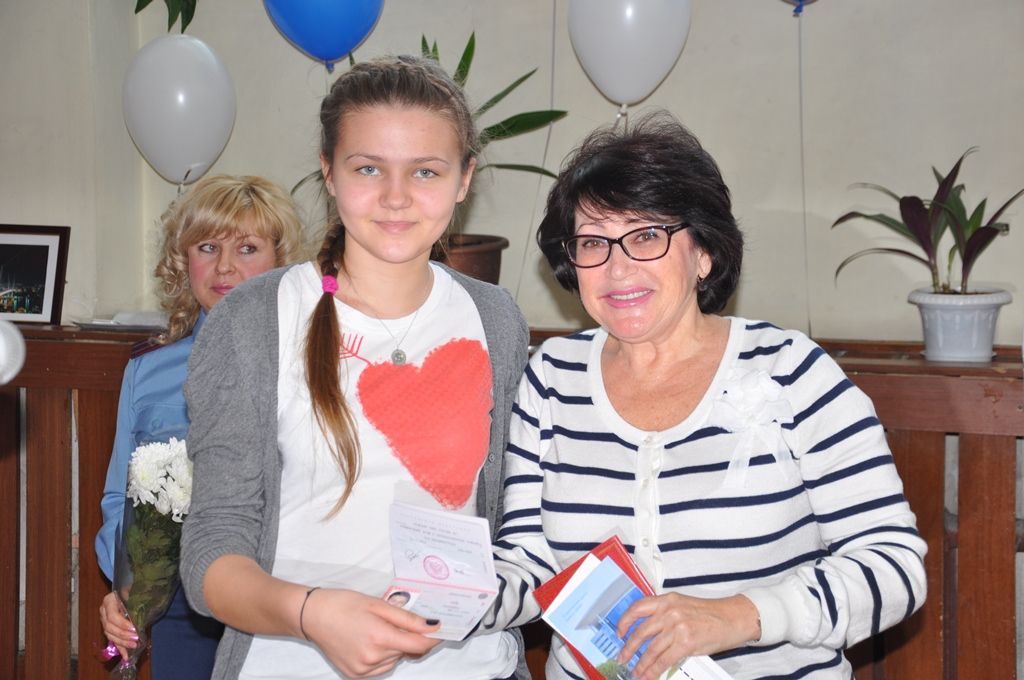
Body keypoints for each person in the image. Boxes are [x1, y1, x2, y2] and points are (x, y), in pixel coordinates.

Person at [486, 113, 927, 680]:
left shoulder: (792, 372)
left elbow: (894, 567)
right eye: (593, 242)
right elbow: (530, 564)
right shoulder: (552, 378)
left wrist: (739, 616)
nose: (617, 268)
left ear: (704, 253)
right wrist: (446, 602)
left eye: (646, 236)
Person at [179, 56, 530, 680]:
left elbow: (509, 524)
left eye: (425, 171)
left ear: (464, 179)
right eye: (368, 168)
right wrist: (311, 613)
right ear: (329, 171)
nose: (396, 196)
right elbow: (212, 553)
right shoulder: (255, 319)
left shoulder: (495, 318)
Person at [96, 174, 305, 677]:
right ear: (182, 260)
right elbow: (119, 497)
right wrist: (123, 587)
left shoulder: (312, 364)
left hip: (281, 599)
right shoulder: (148, 370)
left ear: (280, 260)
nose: (226, 266)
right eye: (208, 247)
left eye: (248, 248)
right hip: (180, 607)